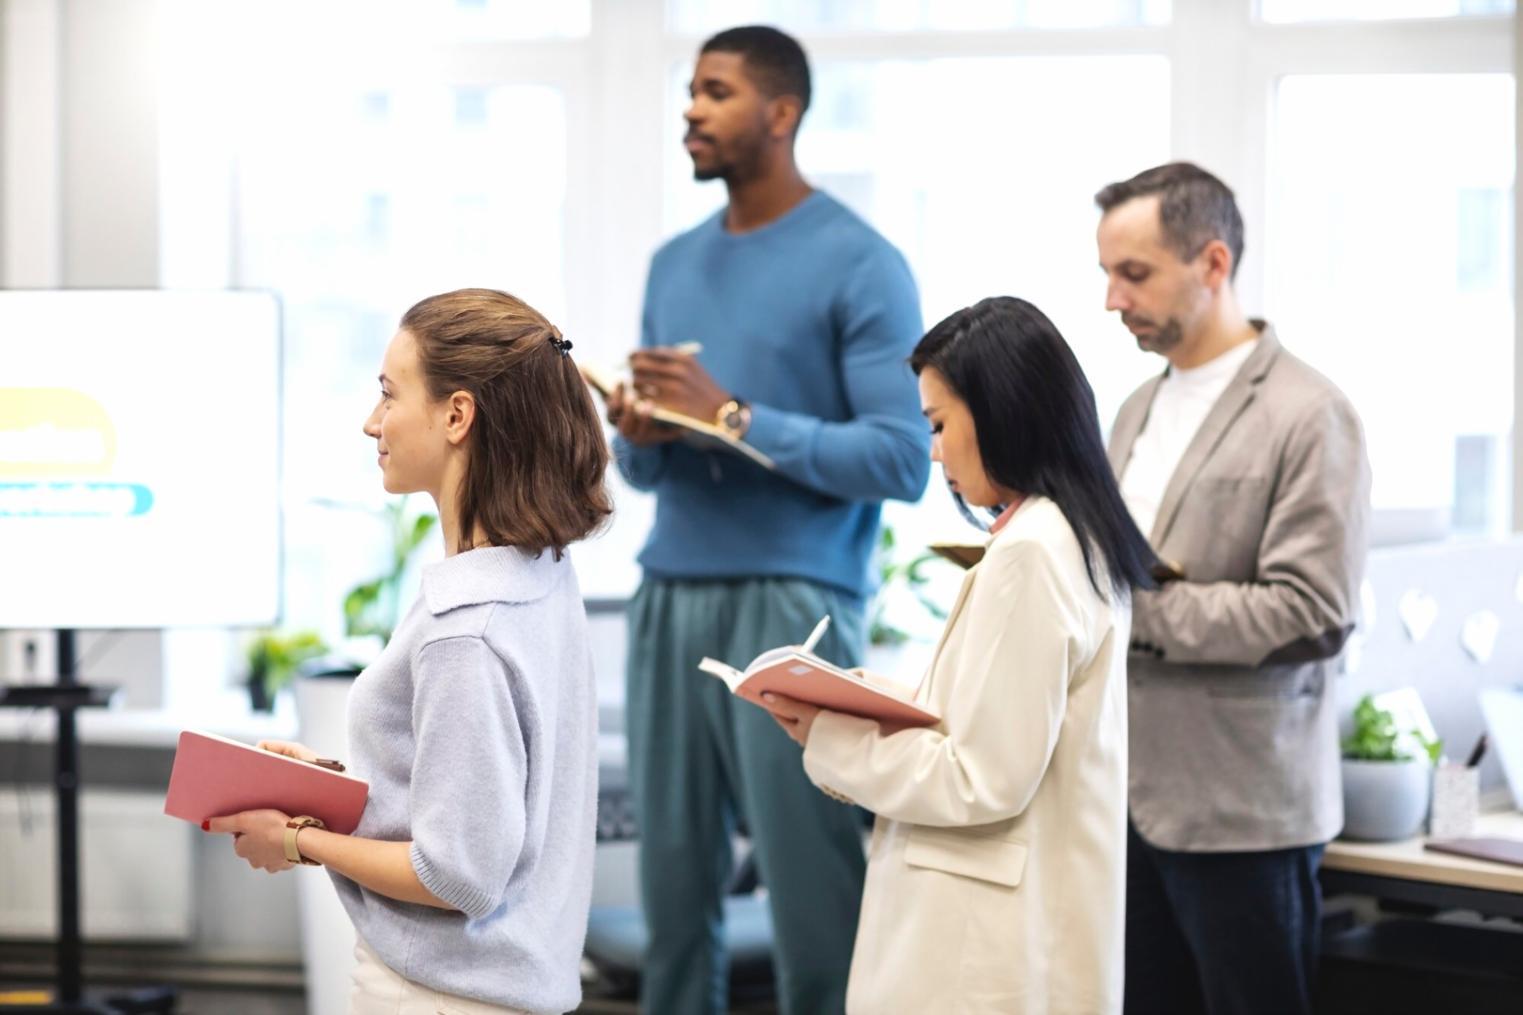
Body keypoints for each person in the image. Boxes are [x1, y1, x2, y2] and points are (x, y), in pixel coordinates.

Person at [606, 25, 929, 1015]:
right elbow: (642, 469)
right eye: (689, 92)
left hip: (795, 607)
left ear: (780, 113)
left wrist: (732, 416)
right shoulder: (672, 264)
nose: (690, 111)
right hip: (667, 598)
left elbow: (901, 458)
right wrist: (642, 433)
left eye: (715, 92)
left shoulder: (861, 263)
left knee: (814, 901)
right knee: (670, 898)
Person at [208, 288, 611, 1015]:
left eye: (389, 395)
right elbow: (491, 801)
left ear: (458, 415)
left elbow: (457, 876)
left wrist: (298, 838)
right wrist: (330, 791)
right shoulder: (536, 572)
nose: (372, 423)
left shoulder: (467, 631)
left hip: (441, 997)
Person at [762, 296, 1155, 1013]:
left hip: (980, 949)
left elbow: (982, 777)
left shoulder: (1033, 552)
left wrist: (832, 734)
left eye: (939, 424)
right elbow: (999, 729)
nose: (934, 451)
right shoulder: (1071, 535)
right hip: (1012, 926)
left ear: (1002, 409)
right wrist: (867, 699)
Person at [1096, 162, 1371, 1015]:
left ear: (1212, 264)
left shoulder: (1307, 412)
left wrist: (1132, 608)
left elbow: (1311, 612)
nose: (1111, 299)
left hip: (1242, 812)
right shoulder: (1134, 407)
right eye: (1105, 273)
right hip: (1126, 799)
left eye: (1132, 273)